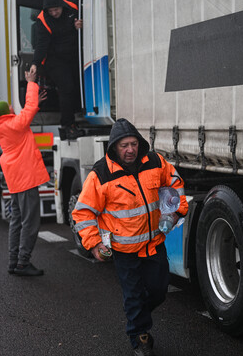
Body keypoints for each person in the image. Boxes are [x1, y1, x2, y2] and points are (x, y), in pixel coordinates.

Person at [72, 118, 188, 355]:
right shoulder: (101, 174)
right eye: (124, 145)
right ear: (114, 146)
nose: (130, 150)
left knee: (159, 291)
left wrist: (175, 211)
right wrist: (94, 245)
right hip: (125, 253)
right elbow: (83, 212)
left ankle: (138, 316)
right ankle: (140, 337)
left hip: (154, 244)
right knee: (133, 296)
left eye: (133, 144)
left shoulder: (155, 162)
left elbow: (175, 182)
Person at [0, 69, 49, 276]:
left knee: (16, 221)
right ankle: (23, 262)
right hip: (25, 179)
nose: (14, 108)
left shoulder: (3, 126)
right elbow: (27, 110)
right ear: (6, 112)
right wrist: (31, 83)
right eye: (11, 108)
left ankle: (14, 261)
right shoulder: (13, 125)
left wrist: (35, 103)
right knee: (30, 222)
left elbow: (26, 113)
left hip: (16, 179)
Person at [30, 0, 83, 140]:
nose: (54, 13)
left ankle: (80, 113)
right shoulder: (43, 20)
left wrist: (81, 24)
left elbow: (89, 14)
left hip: (72, 54)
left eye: (56, 10)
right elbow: (41, 45)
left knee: (78, 84)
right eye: (50, 11)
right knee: (66, 87)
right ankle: (67, 125)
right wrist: (35, 63)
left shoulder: (72, 5)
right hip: (54, 59)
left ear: (62, 5)